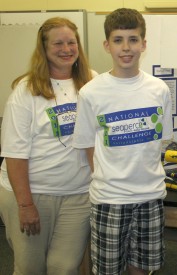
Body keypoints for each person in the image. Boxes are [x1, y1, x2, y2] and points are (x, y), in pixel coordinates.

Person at [72, 8, 173, 275]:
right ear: (107, 45)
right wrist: (109, 177)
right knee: (108, 271)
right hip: (109, 199)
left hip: (150, 197)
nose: (126, 48)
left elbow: (160, 142)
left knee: (142, 269)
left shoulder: (159, 90)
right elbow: (87, 146)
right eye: (118, 40)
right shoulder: (91, 92)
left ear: (143, 44)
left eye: (133, 39)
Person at [0, 17, 96, 274]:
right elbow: (14, 154)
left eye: (71, 42)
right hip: (32, 194)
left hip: (78, 194)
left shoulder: (93, 83)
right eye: (58, 43)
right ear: (44, 49)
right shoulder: (25, 91)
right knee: (31, 267)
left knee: (64, 267)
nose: (66, 49)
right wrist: (25, 205)